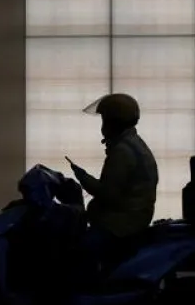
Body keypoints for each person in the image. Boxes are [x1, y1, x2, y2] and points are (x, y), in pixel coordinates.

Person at [65, 92, 158, 273]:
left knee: (77, 253)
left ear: (113, 122)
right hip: (131, 218)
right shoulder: (134, 144)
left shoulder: (122, 151)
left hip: (121, 224)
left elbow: (108, 194)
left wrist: (82, 177)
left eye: (105, 119)